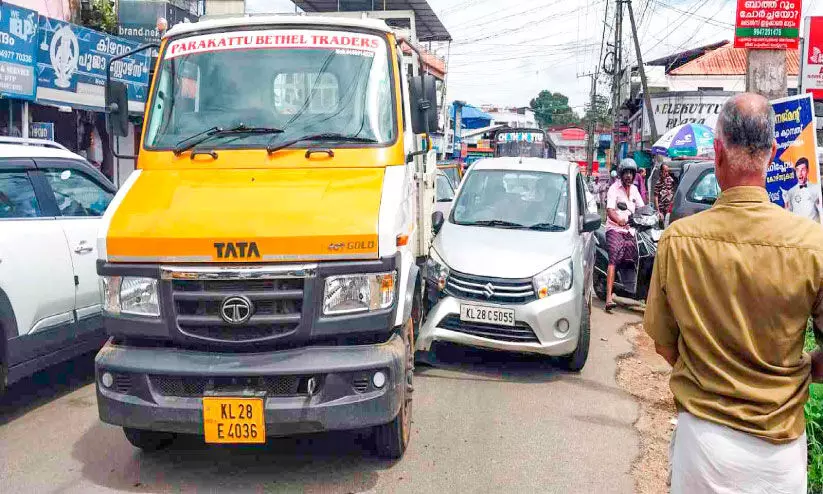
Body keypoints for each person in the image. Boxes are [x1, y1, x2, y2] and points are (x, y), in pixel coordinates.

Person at [644, 93, 823, 493]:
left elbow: (662, 343)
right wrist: (803, 369)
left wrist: (708, 367)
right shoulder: (813, 245)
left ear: (717, 152)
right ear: (773, 154)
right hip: (779, 455)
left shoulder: (679, 241)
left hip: (703, 447)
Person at [604, 158, 644, 312]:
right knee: (614, 256)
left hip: (631, 230)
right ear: (621, 174)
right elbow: (610, 210)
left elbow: (641, 207)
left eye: (631, 173)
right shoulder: (614, 189)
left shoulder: (634, 190)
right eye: (625, 172)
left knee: (641, 254)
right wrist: (619, 220)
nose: (628, 175)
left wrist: (652, 213)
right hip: (615, 229)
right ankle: (608, 298)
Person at [784, 157, 822, 223]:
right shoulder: (790, 192)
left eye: (803, 170)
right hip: (799, 230)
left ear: (807, 170)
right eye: (797, 170)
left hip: (814, 229)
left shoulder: (817, 188)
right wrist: (786, 202)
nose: (800, 173)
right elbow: (788, 215)